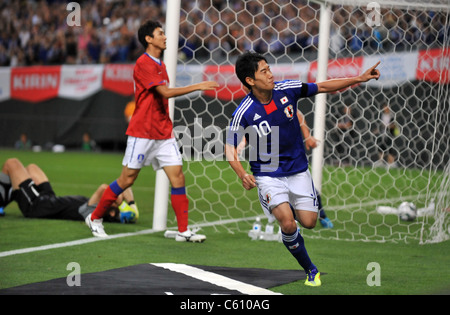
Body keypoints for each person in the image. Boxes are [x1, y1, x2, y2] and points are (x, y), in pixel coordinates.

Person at [225, 51, 380, 286]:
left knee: (309, 222)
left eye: (269, 68)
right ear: (250, 80)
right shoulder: (243, 112)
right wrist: (242, 173)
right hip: (268, 175)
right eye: (264, 71)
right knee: (288, 223)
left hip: (298, 170)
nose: (270, 73)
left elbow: (323, 86)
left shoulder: (287, 89)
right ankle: (311, 269)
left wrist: (358, 78)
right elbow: (229, 148)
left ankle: (286, 214)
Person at [85, 20, 219, 240]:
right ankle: (95, 217)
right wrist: (198, 85)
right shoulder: (144, 63)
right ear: (149, 39)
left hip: (163, 132)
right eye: (160, 33)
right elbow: (164, 93)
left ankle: (183, 231)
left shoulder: (161, 65)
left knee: (178, 178)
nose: (165, 37)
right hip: (142, 132)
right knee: (127, 180)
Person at [0, 158, 138, 224]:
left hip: (37, 206)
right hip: (49, 199)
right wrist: (131, 204)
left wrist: (120, 201)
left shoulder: (93, 212)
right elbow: (125, 185)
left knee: (11, 164)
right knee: (31, 168)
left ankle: (4, 199)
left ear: (112, 210)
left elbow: (104, 188)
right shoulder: (103, 207)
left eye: (113, 199)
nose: (113, 196)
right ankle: (13, 191)